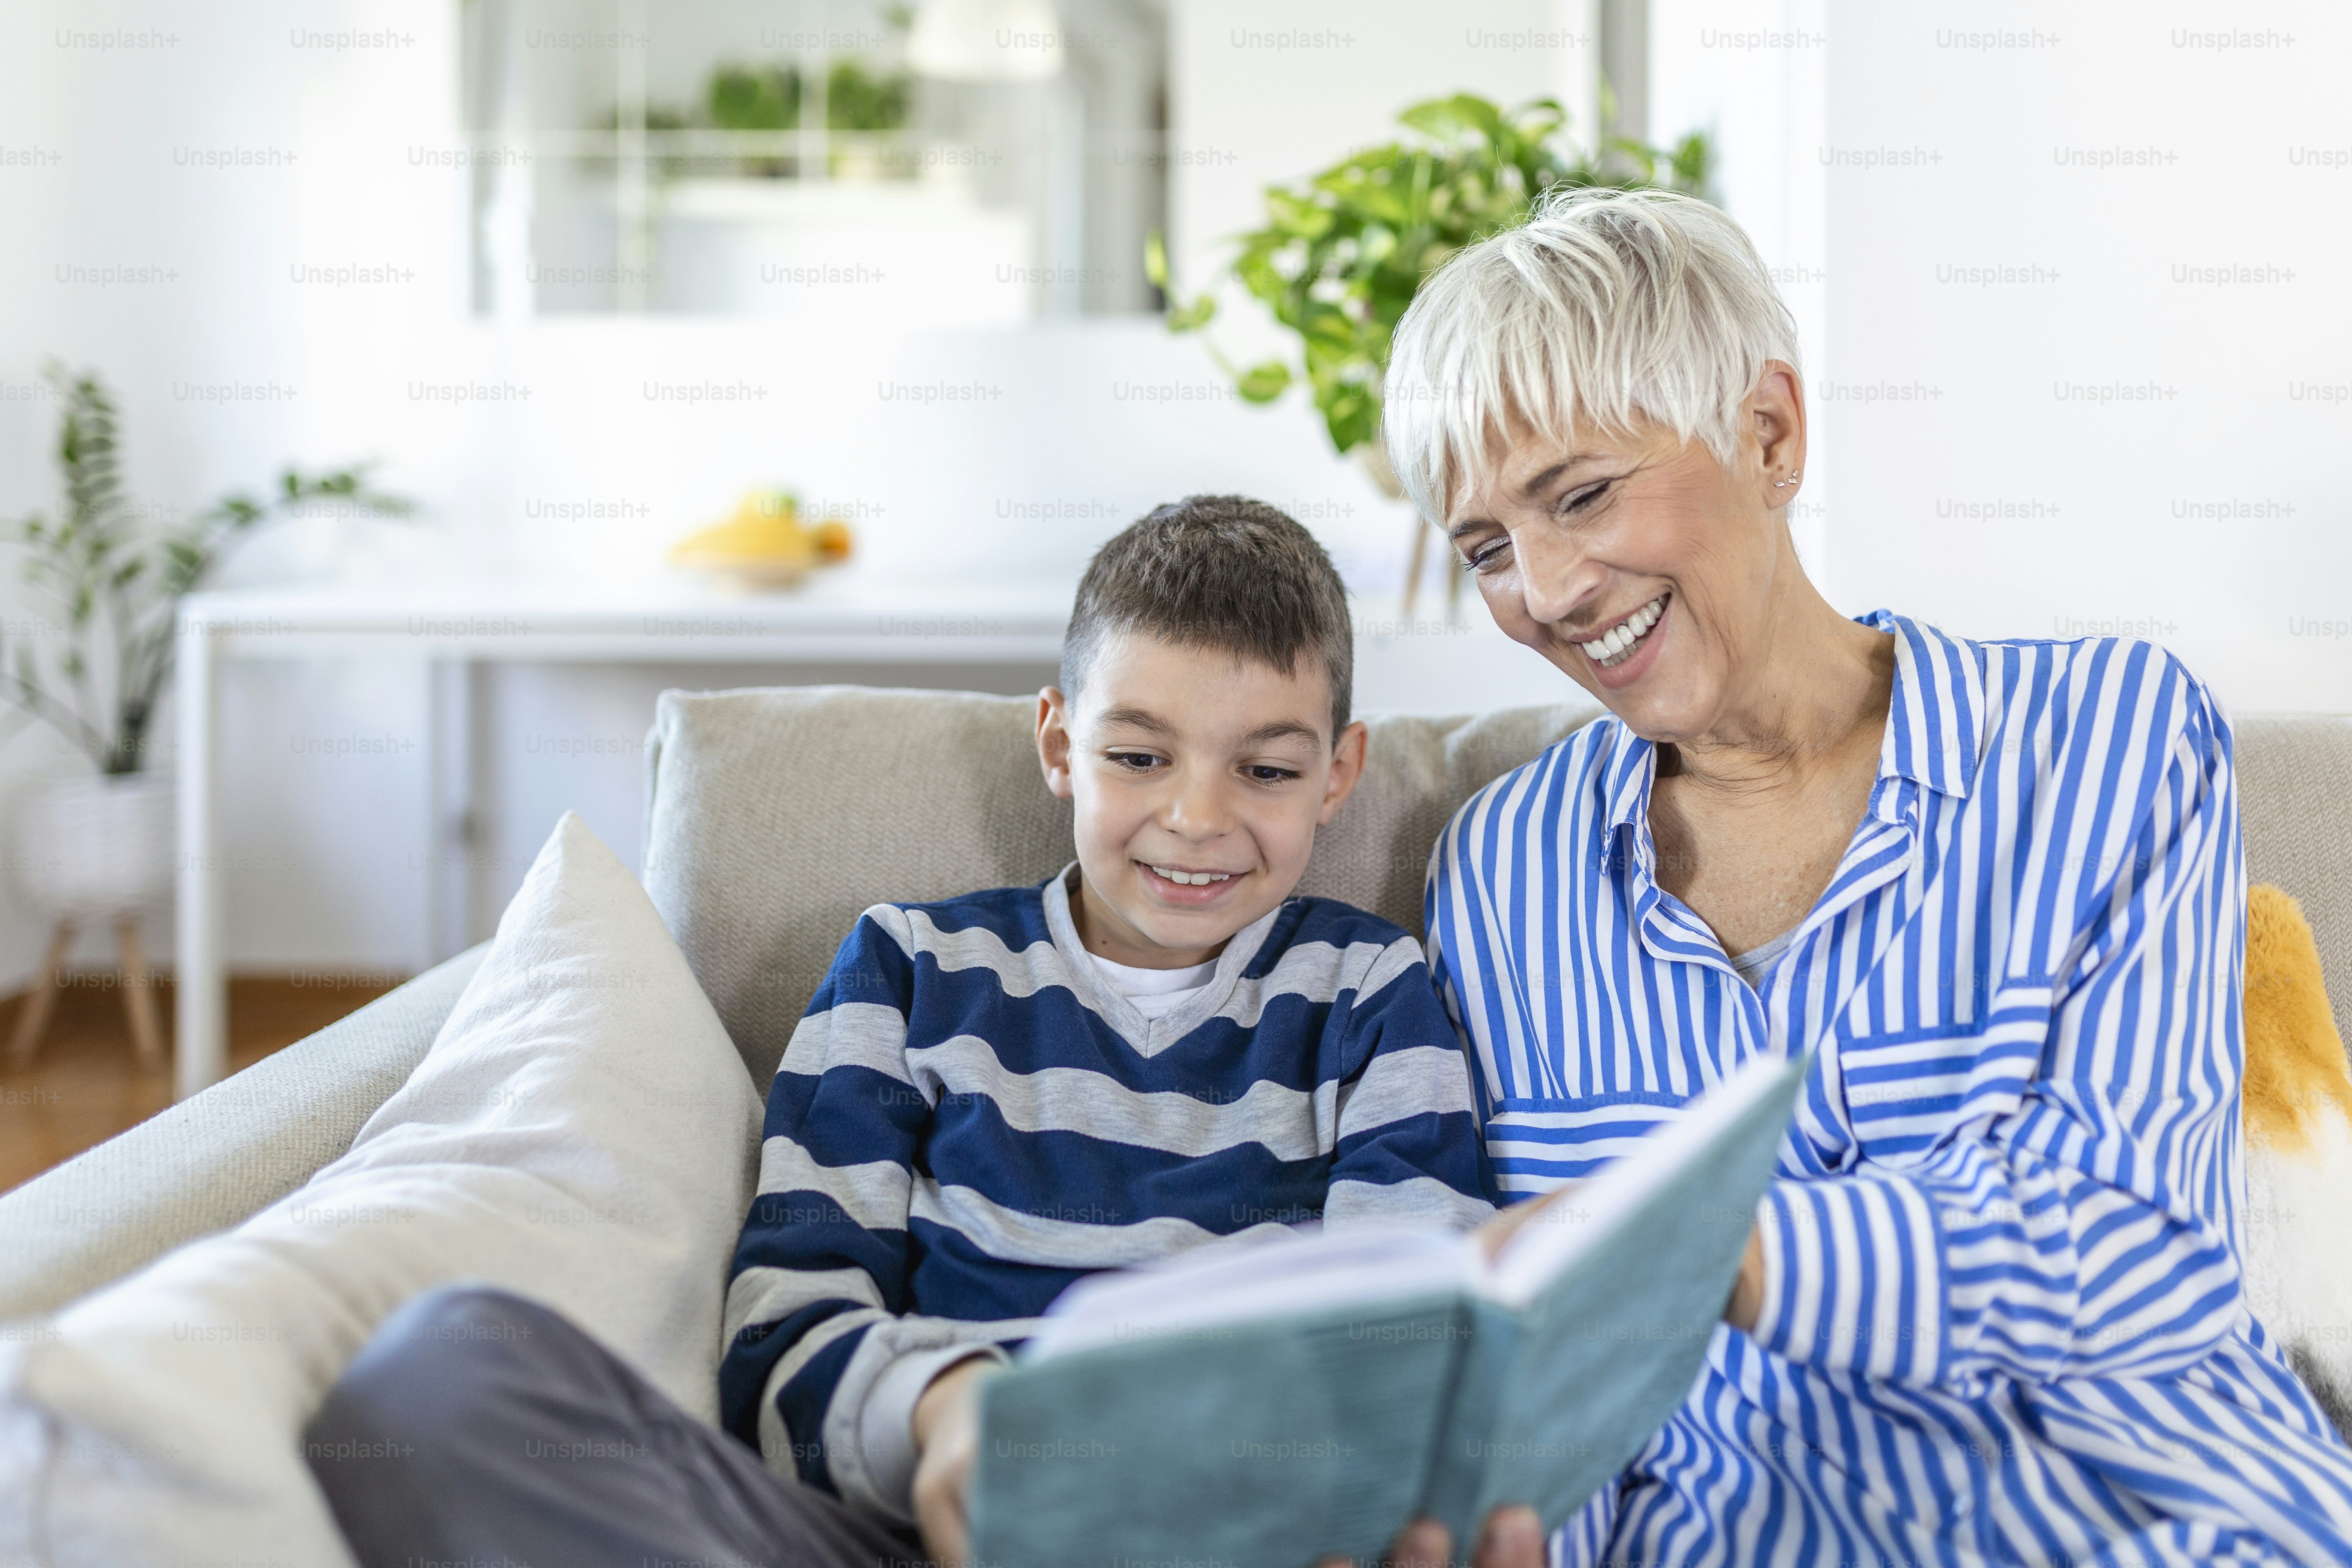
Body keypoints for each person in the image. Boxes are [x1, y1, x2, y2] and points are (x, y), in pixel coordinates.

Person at [1351, 185, 2352, 1568]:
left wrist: (1708, 1247)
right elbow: (1568, 1376)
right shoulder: (1504, 869)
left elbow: (2136, 1259)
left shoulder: (2104, 735)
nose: (1550, 588)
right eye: (1487, 550)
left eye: (1581, 494)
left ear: (1769, 433)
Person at [303, 496, 1496, 1568]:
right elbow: (780, 1339)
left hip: (1235, 1529)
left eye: (1267, 771)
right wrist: (947, 1414)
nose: (1197, 818)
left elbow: (1411, 1337)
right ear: (1058, 744)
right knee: (443, 1367)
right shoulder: (913, 969)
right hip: (915, 1528)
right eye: (1139, 757)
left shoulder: (1371, 994)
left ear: (1338, 775)